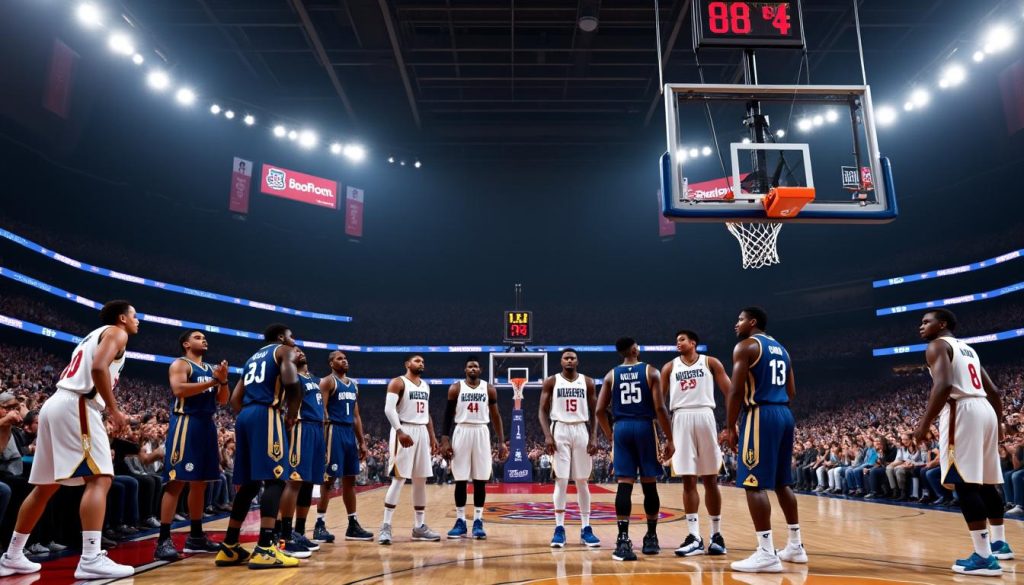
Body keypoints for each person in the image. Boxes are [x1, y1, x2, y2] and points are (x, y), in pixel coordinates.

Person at [0, 301, 138, 579]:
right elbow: (99, 367)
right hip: (78, 404)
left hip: (56, 404)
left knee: (45, 488)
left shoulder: (91, 336)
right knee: (100, 478)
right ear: (122, 318)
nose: (138, 322)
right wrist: (114, 410)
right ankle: (90, 557)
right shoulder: (116, 332)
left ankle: (12, 556)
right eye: (135, 316)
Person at [911, 309, 1013, 576]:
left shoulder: (937, 345)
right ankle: (999, 543)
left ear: (941, 324)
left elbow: (943, 385)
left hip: (962, 411)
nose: (921, 326)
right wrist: (999, 423)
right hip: (985, 410)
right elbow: (994, 391)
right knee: (987, 481)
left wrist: (923, 424)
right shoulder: (968, 349)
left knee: (965, 483)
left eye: (926, 321)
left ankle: (983, 557)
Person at [214, 324, 303, 570]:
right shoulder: (284, 351)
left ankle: (229, 546)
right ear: (281, 337)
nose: (294, 340)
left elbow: (234, 399)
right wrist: (292, 413)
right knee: (275, 480)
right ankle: (265, 547)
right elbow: (292, 382)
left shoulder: (252, 359)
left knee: (250, 483)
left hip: (245, 418)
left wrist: (251, 417)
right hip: (267, 413)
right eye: (291, 335)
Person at [726, 307, 806, 573]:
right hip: (784, 413)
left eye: (739, 319)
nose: (735, 324)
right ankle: (795, 546)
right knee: (783, 482)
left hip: (760, 414)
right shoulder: (782, 349)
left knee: (754, 483)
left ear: (753, 321)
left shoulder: (746, 347)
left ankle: (766, 553)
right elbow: (791, 391)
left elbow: (736, 391)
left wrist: (730, 427)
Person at [595, 338, 674, 561]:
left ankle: (622, 540)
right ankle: (651, 538)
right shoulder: (651, 371)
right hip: (644, 427)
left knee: (624, 485)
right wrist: (669, 438)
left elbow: (600, 410)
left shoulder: (611, 375)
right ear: (633, 349)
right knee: (649, 484)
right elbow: (659, 407)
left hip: (621, 428)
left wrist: (610, 435)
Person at [154, 330, 230, 561]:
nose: (204, 339)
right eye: (198, 337)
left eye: (204, 337)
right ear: (186, 344)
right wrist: (213, 381)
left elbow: (223, 400)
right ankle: (163, 540)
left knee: (200, 484)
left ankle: (196, 537)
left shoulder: (211, 370)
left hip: (207, 424)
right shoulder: (181, 364)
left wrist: (223, 380)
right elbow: (178, 389)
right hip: (186, 422)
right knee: (176, 482)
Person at [660, 329, 731, 557]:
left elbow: (730, 392)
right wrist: (666, 435)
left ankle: (716, 535)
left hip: (705, 415)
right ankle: (694, 537)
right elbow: (659, 403)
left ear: (693, 343)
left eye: (681, 339)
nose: (677, 343)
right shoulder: (670, 367)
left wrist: (732, 425)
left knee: (711, 479)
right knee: (688, 480)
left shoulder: (711, 362)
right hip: (679, 417)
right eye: (676, 340)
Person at [440, 356, 508, 540]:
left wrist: (501, 441)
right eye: (470, 366)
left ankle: (478, 520)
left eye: (475, 366)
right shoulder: (455, 388)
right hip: (461, 430)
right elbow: (447, 415)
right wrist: (444, 439)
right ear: (465, 369)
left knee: (480, 479)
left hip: (481, 431)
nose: (472, 369)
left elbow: (496, 415)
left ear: (480, 370)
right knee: (460, 479)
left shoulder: (489, 389)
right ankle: (460, 521)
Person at [538, 349, 600, 549]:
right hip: (560, 428)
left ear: (578, 361)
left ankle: (586, 528)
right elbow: (541, 410)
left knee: (582, 481)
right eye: (566, 357)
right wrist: (547, 435)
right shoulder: (552, 381)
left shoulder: (588, 382)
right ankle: (559, 529)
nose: (570, 360)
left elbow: (596, 411)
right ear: (561, 361)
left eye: (573, 357)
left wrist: (593, 435)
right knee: (562, 480)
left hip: (581, 428)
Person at [379, 354, 440, 545]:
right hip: (404, 428)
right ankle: (386, 526)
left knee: (420, 480)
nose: (421, 363)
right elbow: (389, 410)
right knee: (398, 478)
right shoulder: (398, 382)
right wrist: (399, 431)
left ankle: (419, 527)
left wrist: (432, 436)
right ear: (407, 364)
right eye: (417, 361)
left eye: (422, 361)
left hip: (422, 430)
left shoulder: (425, 385)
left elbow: (426, 413)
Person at [317, 351, 372, 542]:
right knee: (329, 480)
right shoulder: (327, 382)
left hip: (348, 432)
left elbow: (356, 416)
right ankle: (319, 524)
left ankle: (352, 525)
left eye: (345, 358)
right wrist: (323, 440)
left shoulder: (353, 385)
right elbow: (321, 410)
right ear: (331, 363)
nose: (344, 360)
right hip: (333, 430)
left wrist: (362, 442)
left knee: (351, 480)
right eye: (339, 358)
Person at [275, 348, 324, 558]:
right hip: (301, 426)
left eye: (302, 351)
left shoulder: (313, 378)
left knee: (308, 481)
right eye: (295, 351)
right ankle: (284, 535)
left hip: (317, 428)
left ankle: (299, 532)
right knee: (294, 480)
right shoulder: (289, 376)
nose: (300, 352)